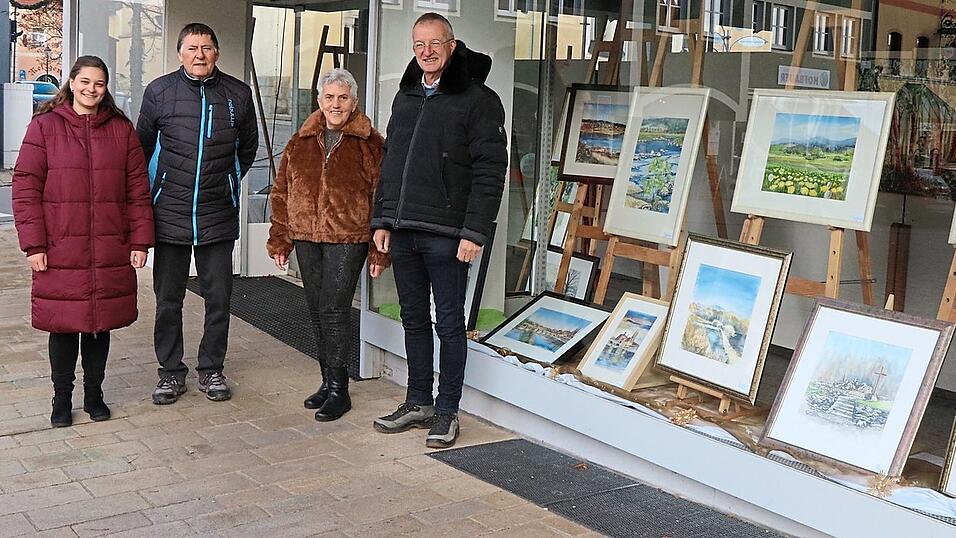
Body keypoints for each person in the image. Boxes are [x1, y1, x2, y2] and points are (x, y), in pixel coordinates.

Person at [370, 13, 507, 448]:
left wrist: (474, 232)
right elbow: (391, 164)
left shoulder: (478, 99)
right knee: (413, 320)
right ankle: (417, 401)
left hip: (448, 234)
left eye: (435, 44)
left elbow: (491, 172)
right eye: (419, 45)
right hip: (404, 229)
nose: (426, 52)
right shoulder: (406, 96)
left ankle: (447, 411)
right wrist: (382, 220)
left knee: (449, 324)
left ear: (452, 45)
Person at [12, 56, 155, 428]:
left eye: (100, 84)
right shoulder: (44, 127)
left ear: (106, 89)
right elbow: (25, 187)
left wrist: (140, 241)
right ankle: (61, 399)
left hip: (109, 245)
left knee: (98, 323)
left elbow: (138, 191)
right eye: (86, 82)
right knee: (63, 324)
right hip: (60, 246)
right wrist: (34, 245)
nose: (92, 89)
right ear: (72, 83)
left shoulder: (122, 130)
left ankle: (95, 395)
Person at [136, 23, 258, 404]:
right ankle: (170, 373)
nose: (200, 54)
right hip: (169, 214)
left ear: (216, 52)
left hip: (217, 214)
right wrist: (159, 187)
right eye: (192, 47)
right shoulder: (158, 92)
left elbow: (248, 147)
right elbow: (142, 148)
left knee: (218, 299)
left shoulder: (238, 93)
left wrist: (227, 180)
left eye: (206, 47)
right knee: (168, 299)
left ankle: (211, 369)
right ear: (180, 53)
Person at [267, 68, 389, 422]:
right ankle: (326, 380)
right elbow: (282, 193)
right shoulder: (299, 142)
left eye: (343, 98)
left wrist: (380, 250)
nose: (336, 104)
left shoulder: (371, 145)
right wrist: (280, 239)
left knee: (335, 310)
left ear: (354, 102)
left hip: (347, 237)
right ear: (319, 100)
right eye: (330, 97)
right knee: (317, 310)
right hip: (306, 237)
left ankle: (340, 390)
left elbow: (382, 198)